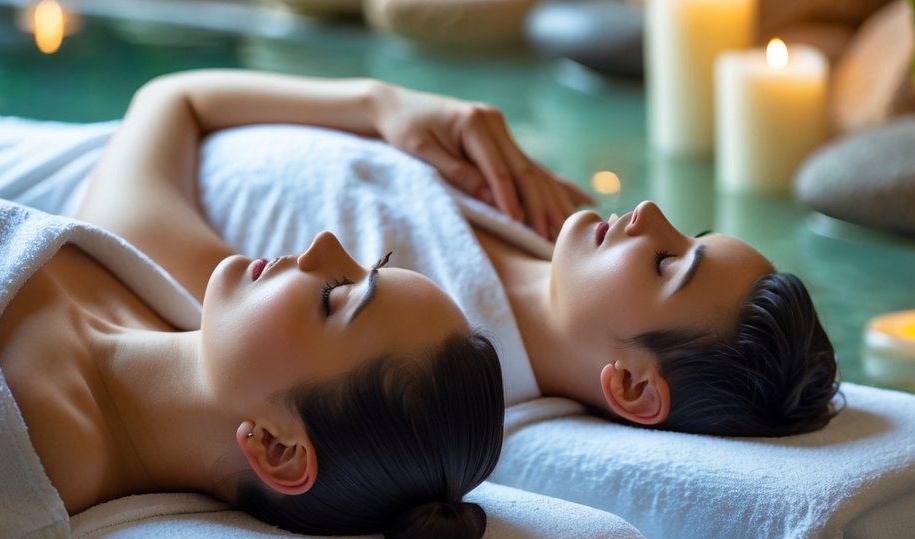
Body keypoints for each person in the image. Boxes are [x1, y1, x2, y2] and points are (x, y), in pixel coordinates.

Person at [0, 74, 554, 539]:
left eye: (334, 297)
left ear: (277, 448)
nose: (320, 246)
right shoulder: (163, 291)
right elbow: (176, 100)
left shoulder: (8, 453)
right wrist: (382, 101)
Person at [76, 69, 840, 438]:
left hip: (67, 167)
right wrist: (395, 109)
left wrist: (370, 102)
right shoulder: (544, 216)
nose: (646, 213)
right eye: (687, 233)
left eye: (666, 264)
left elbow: (167, 110)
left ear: (634, 387)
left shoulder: (366, 329)